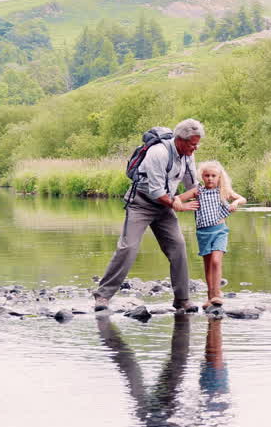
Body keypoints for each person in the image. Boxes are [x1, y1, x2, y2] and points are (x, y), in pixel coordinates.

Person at [93, 119, 204, 313]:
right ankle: (102, 295)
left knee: (178, 247)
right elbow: (156, 192)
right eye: (192, 143)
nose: (196, 147)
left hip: (165, 206)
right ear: (180, 139)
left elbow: (191, 185)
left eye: (197, 143)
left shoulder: (188, 155)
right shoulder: (158, 153)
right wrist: (177, 205)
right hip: (141, 203)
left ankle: (182, 299)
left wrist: (211, 198)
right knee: (128, 247)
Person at [173, 160, 245, 309]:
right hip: (203, 233)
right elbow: (178, 198)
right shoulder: (197, 191)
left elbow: (241, 198)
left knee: (216, 261)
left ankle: (217, 294)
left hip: (220, 230)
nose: (210, 178)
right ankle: (210, 297)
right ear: (202, 176)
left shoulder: (223, 191)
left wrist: (235, 203)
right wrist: (181, 207)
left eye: (213, 175)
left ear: (219, 177)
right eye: (207, 175)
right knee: (207, 265)